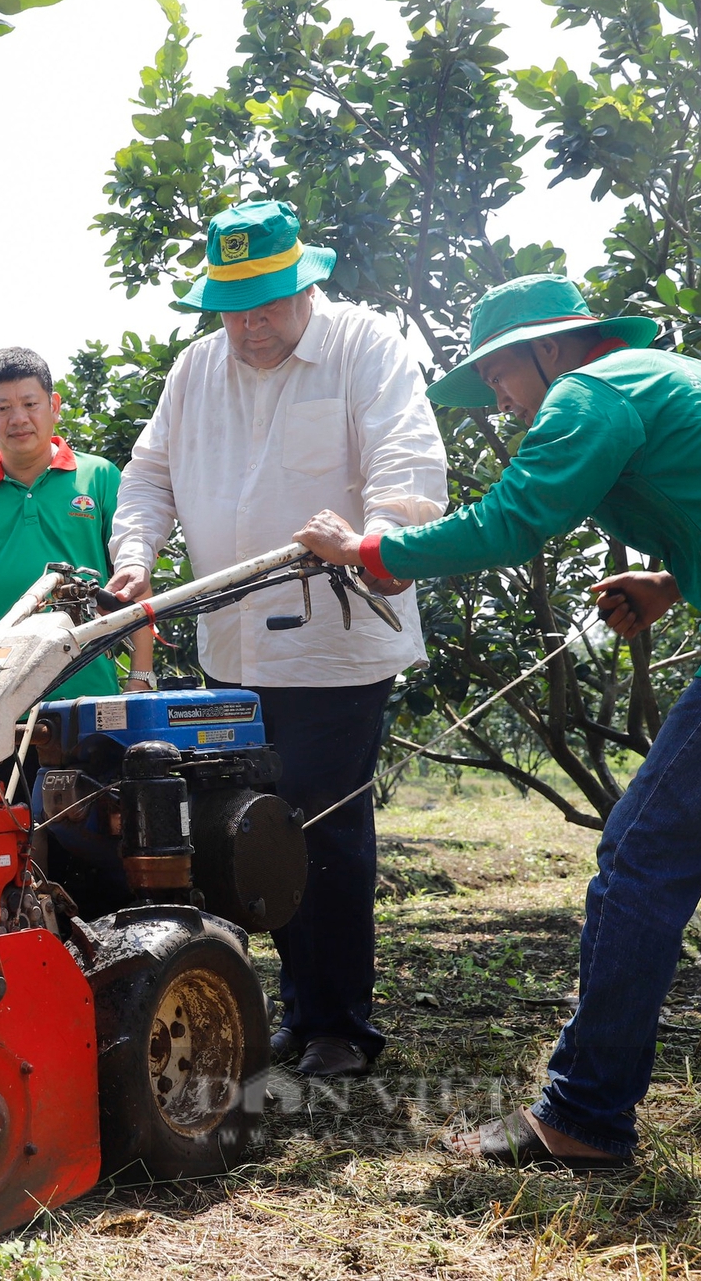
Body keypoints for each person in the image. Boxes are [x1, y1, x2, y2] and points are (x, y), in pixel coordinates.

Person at [296, 272, 701, 1165]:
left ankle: (581, 1115)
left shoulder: (593, 389)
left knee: (640, 853)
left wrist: (371, 550)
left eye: (502, 377)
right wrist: (670, 581)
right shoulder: (689, 381)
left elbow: (511, 524)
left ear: (549, 349)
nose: (503, 403)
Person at [104, 200, 447, 1079]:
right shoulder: (194, 370)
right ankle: (295, 1013)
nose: (249, 326)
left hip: (336, 642)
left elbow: (406, 459)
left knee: (325, 829)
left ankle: (340, 1023)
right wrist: (136, 556)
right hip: (232, 646)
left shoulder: (365, 345)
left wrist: (384, 543)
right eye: (232, 307)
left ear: (307, 283)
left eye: (265, 305)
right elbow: (148, 476)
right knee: (254, 830)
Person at [0, 347, 151, 700]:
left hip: (89, 690)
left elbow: (132, 579)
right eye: (2, 408)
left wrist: (141, 674)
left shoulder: (100, 477)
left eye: (30, 404)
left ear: (54, 406)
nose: (18, 418)